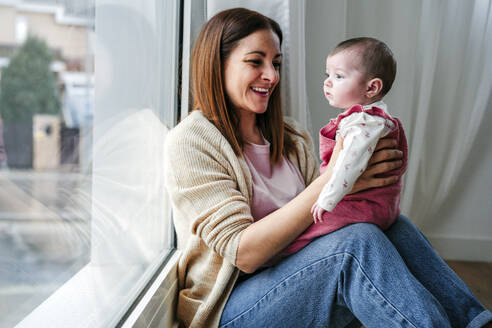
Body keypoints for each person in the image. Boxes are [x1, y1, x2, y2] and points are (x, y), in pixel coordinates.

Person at [164, 7, 492, 328]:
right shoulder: (192, 142)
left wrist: (357, 185)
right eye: (255, 61)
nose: (272, 75)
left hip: (296, 276)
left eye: (276, 63)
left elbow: (321, 227)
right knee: (355, 244)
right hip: (231, 309)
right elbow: (244, 254)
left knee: (395, 226)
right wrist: (334, 179)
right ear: (216, 64)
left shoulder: (291, 137)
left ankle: (476, 321)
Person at [284, 37, 407, 254]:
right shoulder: (370, 118)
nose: (327, 82)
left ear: (372, 88)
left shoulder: (363, 124)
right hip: (374, 203)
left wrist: (326, 200)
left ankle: (285, 255)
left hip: (361, 203)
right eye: (327, 75)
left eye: (339, 76)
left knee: (305, 233)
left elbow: (350, 165)